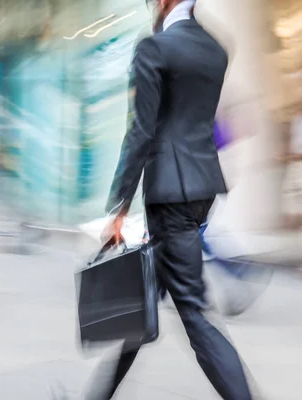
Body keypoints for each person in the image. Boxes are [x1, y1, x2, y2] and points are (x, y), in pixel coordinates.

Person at [56, 1, 253, 399]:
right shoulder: (216, 48)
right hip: (201, 189)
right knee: (141, 298)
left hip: (170, 196)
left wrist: (118, 207)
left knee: (195, 315)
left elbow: (141, 132)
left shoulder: (155, 48)